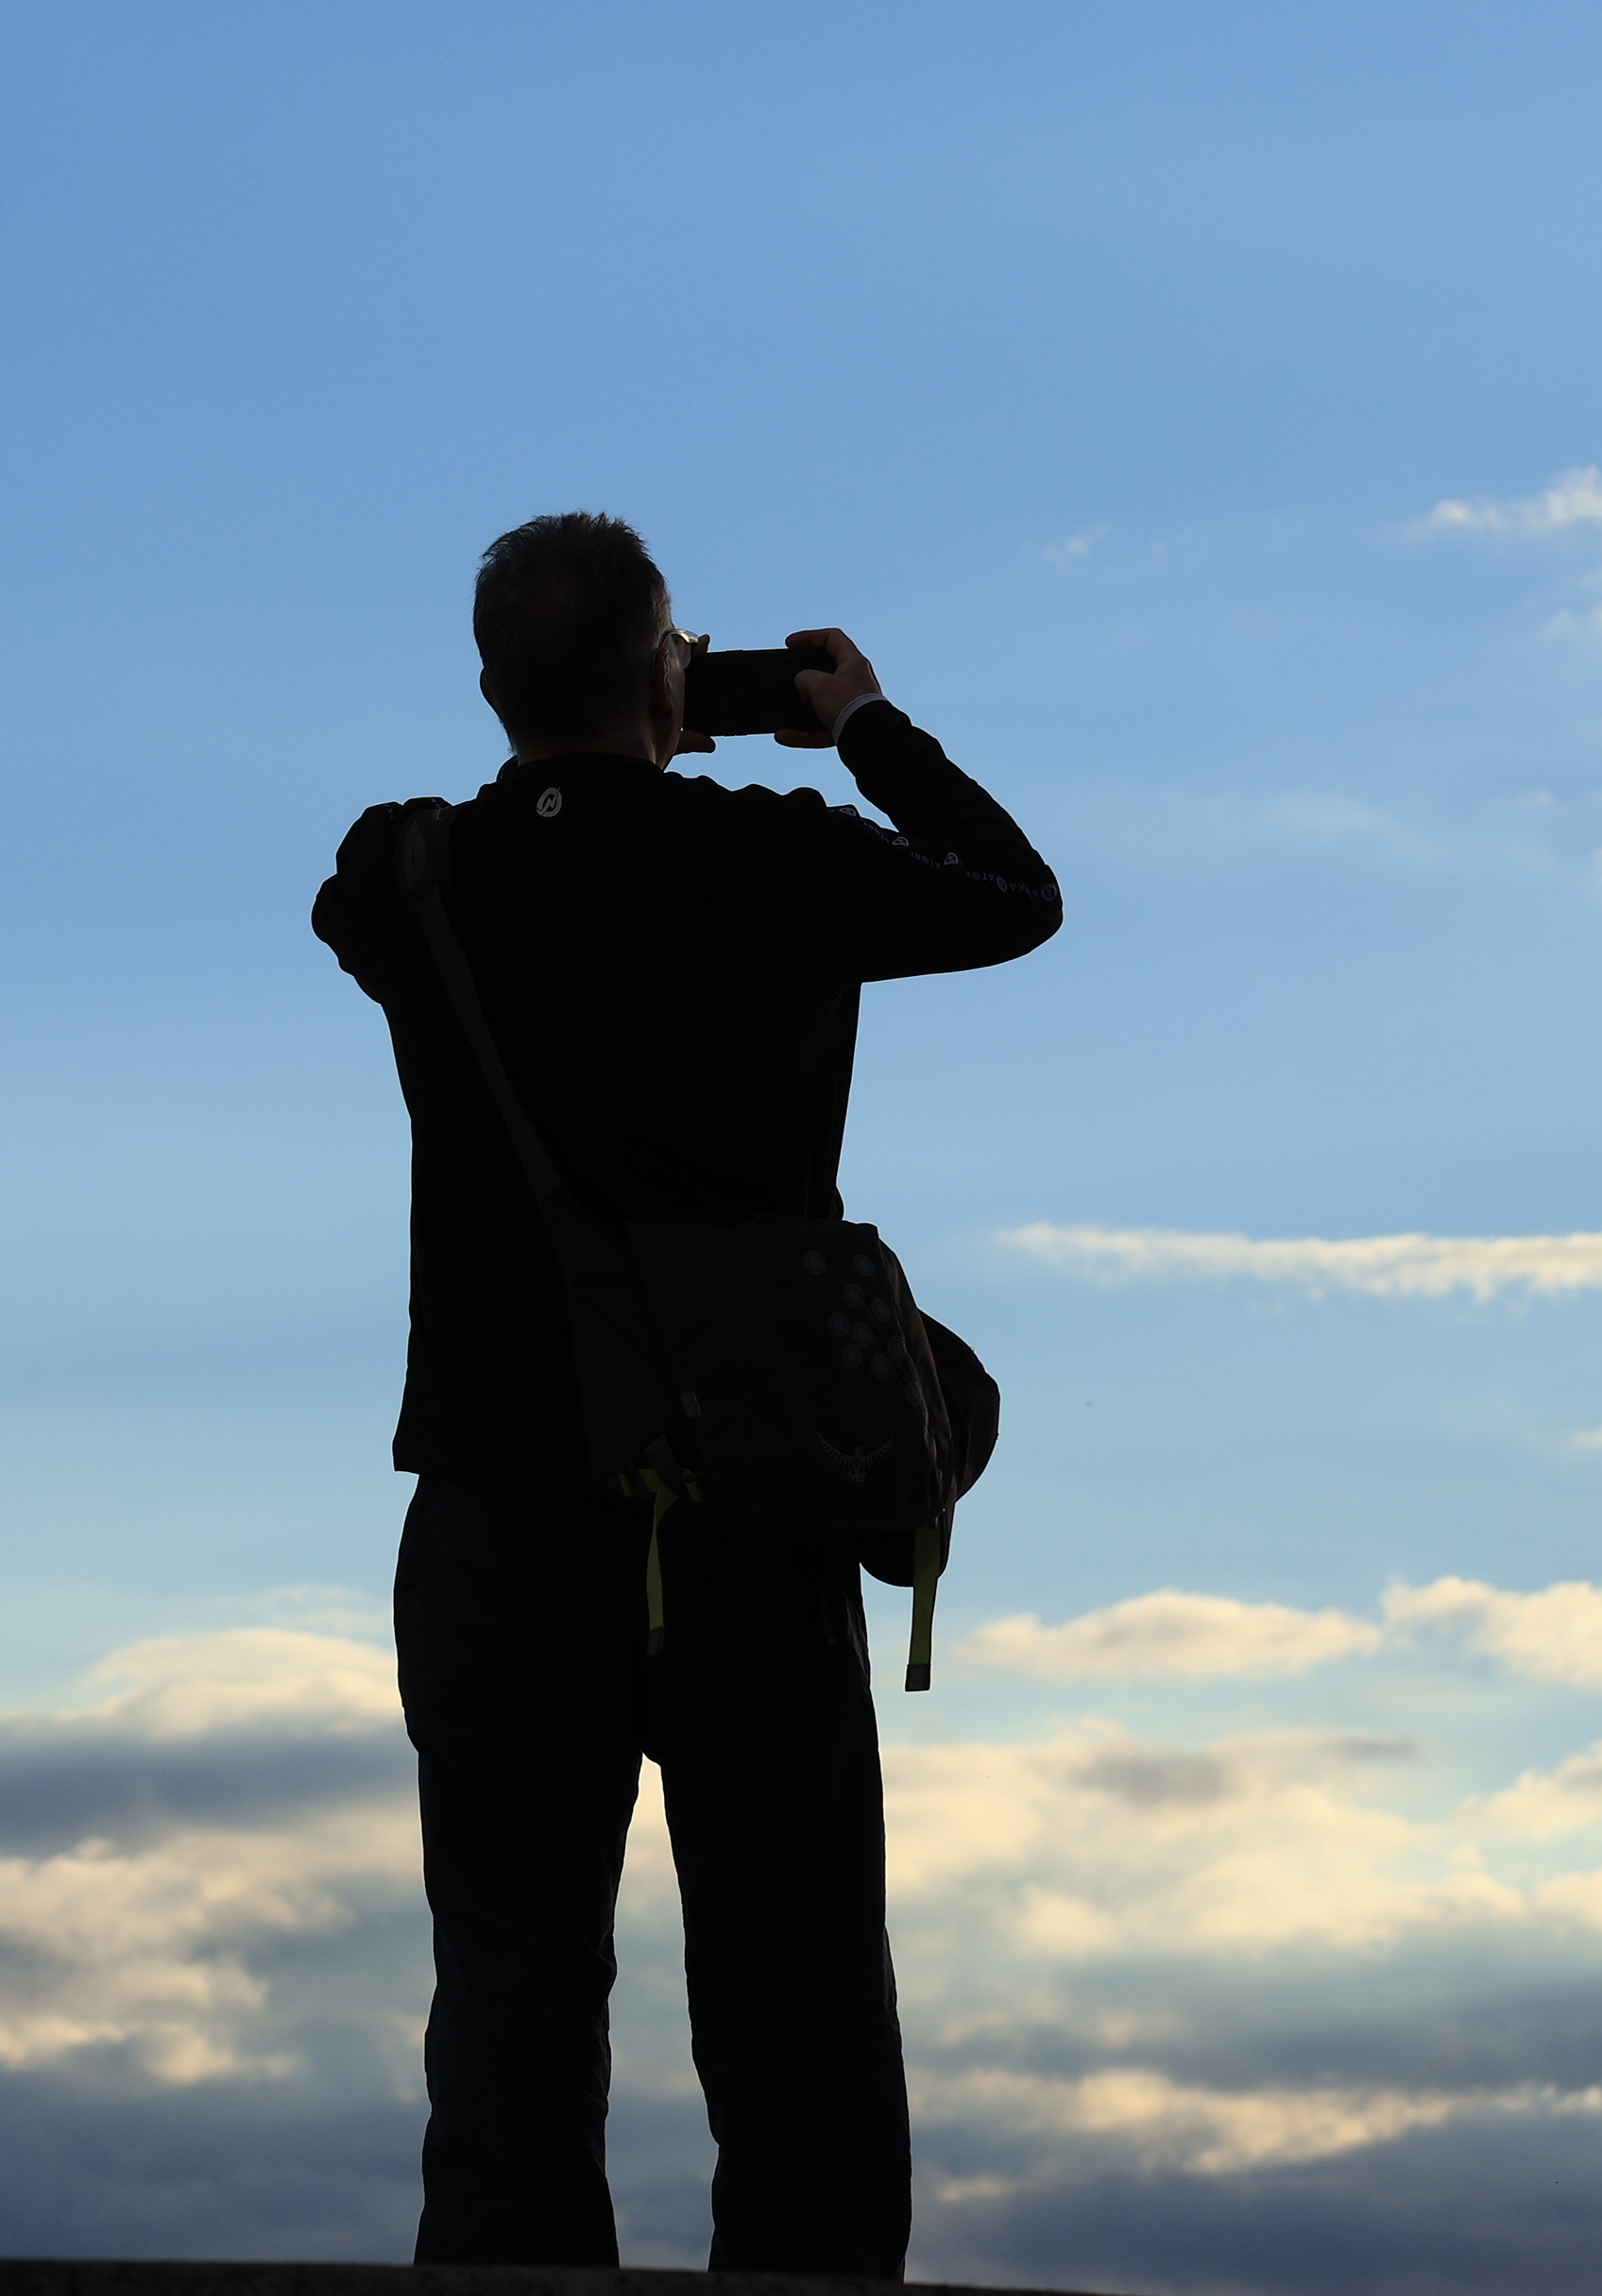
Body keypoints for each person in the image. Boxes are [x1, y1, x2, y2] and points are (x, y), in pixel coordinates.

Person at [310, 511, 1061, 2275]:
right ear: (670, 673)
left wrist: (610, 743)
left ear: (490, 686)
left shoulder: (412, 880)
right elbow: (1012, 896)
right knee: (794, 1976)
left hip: (499, 1503)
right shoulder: (772, 857)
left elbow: (394, 880)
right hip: (748, 1502)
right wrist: (858, 727)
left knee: (514, 1971)